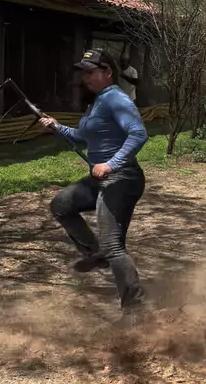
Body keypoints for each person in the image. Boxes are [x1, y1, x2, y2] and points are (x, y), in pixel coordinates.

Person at [39, 48, 148, 321]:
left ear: (107, 72)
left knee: (113, 245)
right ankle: (95, 252)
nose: (85, 77)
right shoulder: (98, 101)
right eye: (83, 72)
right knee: (62, 204)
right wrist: (57, 127)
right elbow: (83, 137)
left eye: (90, 72)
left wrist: (110, 164)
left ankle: (135, 310)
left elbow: (138, 134)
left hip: (122, 179)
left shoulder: (116, 99)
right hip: (101, 180)